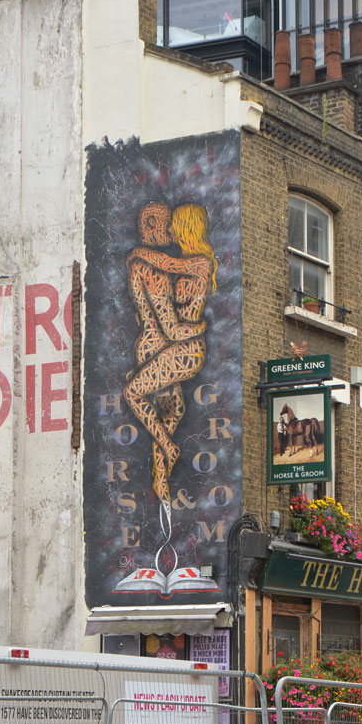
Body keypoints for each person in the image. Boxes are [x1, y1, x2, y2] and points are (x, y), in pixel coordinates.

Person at [123, 203, 217, 512]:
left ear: (186, 228)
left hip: (179, 349)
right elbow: (165, 264)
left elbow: (172, 326)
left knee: (139, 396)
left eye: (175, 225)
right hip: (171, 347)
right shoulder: (172, 266)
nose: (171, 231)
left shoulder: (199, 263)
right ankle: (161, 481)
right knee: (169, 412)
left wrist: (137, 253)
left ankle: (167, 448)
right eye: (166, 225)